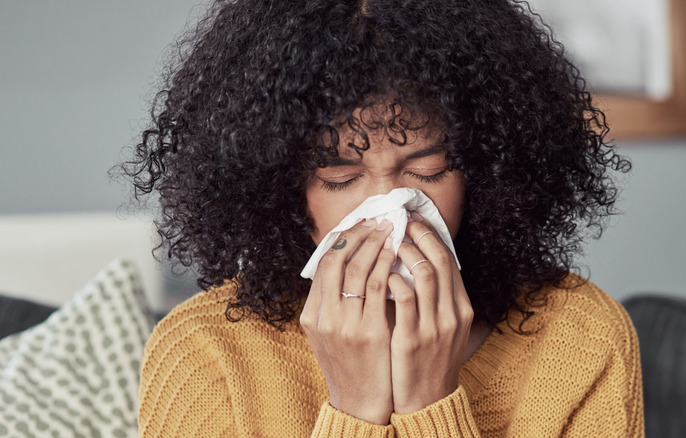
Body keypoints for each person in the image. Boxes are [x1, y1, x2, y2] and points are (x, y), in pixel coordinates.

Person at [125, 0, 643, 436]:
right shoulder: (205, 353)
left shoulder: (582, 336)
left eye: (427, 167)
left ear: (486, 169)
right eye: (339, 176)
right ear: (280, 186)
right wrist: (355, 409)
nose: (388, 210)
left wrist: (428, 404)